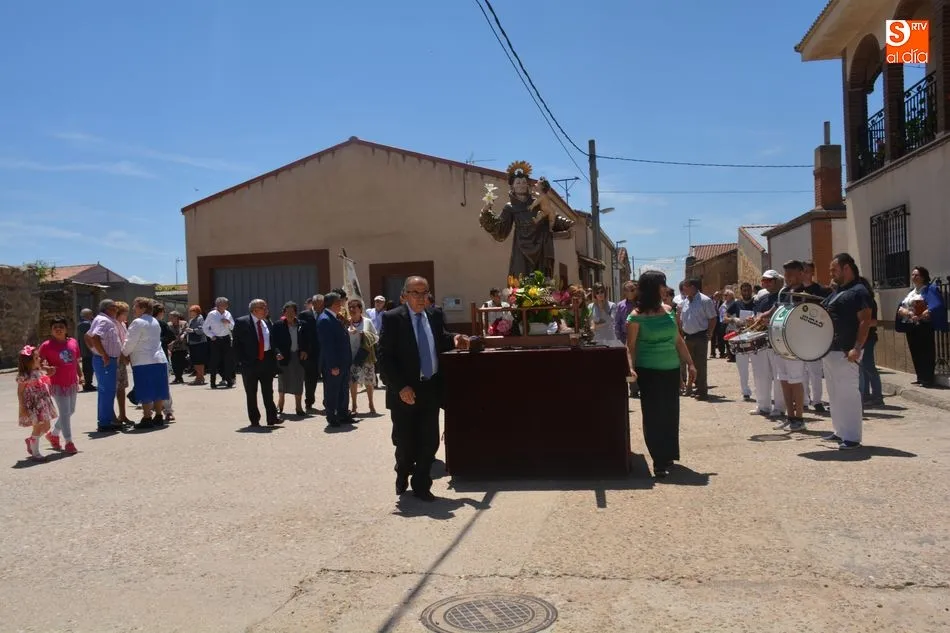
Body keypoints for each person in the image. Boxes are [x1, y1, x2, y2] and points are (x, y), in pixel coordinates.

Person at [379, 276, 470, 501]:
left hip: (430, 386)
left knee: (429, 441)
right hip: (405, 390)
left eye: (424, 292)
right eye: (415, 293)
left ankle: (421, 485)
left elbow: (441, 338)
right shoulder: (392, 318)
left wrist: (456, 338)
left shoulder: (435, 315)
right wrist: (401, 387)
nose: (421, 298)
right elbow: (385, 357)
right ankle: (402, 469)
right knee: (405, 442)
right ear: (404, 295)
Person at [625, 271, 696, 479]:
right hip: (649, 370)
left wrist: (690, 364)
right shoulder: (635, 316)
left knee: (670, 413)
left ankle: (668, 454)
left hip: (671, 369)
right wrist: (630, 367)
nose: (665, 288)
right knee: (654, 415)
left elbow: (678, 341)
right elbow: (630, 347)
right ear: (651, 289)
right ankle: (658, 459)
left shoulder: (669, 311)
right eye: (662, 284)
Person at [479, 161, 574, 277]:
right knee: (521, 278)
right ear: (512, 186)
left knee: (541, 279)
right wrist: (486, 212)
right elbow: (501, 229)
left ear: (528, 185)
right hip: (521, 249)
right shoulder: (510, 207)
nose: (521, 185)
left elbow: (550, 214)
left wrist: (565, 223)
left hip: (541, 246)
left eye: (524, 182)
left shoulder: (537, 202)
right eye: (518, 182)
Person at [821, 253, 872, 450]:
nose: (831, 274)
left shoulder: (859, 291)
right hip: (831, 350)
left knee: (848, 393)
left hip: (846, 351)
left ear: (846, 268)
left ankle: (852, 437)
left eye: (834, 270)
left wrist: (857, 347)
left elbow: (865, 321)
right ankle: (840, 431)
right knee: (834, 393)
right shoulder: (838, 292)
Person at [896, 266, 948, 387]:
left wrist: (926, 312)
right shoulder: (912, 292)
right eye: (912, 275)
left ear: (923, 277)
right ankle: (920, 377)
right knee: (915, 351)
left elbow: (936, 305)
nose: (914, 277)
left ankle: (927, 379)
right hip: (911, 325)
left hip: (923, 325)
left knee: (926, 352)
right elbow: (902, 306)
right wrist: (905, 312)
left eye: (917, 275)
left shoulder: (930, 289)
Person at [122, 297, 170, 429]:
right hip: (159, 359)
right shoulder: (154, 321)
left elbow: (130, 341)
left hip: (143, 360)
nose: (133, 309)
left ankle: (147, 417)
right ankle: (158, 415)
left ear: (143, 308)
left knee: (145, 389)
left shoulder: (138, 322)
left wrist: (124, 353)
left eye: (135, 306)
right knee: (158, 388)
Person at [232, 299, 280, 427]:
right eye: (263, 307)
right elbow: (236, 344)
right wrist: (241, 362)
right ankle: (254, 420)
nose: (266, 310)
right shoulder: (242, 322)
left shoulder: (266, 322)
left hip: (266, 361)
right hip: (250, 364)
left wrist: (276, 353)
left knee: (268, 392)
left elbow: (271, 341)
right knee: (251, 393)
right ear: (254, 310)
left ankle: (272, 418)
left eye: (266, 307)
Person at [38, 316, 82, 454]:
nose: (58, 329)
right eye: (55, 327)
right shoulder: (46, 345)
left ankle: (53, 434)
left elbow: (75, 361)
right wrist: (47, 368)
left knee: (70, 411)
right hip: (57, 383)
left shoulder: (73, 342)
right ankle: (69, 442)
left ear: (66, 329)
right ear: (51, 330)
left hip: (71, 382)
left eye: (61, 327)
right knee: (65, 413)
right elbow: (38, 363)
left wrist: (81, 375)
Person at [748, 271, 786, 419]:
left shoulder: (783, 297)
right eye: (764, 280)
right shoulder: (762, 299)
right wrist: (753, 319)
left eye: (769, 280)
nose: (766, 283)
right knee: (760, 375)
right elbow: (757, 315)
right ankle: (763, 406)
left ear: (776, 281)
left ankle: (779, 407)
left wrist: (767, 320)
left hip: (776, 342)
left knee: (778, 376)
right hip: (761, 341)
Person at [84, 299, 123, 432]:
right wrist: (103, 354)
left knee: (106, 391)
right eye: (114, 307)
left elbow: (88, 336)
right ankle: (105, 422)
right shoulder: (104, 320)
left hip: (106, 359)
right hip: (106, 360)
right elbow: (94, 337)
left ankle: (106, 420)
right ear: (107, 308)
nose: (116, 309)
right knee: (107, 391)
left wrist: (96, 352)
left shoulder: (103, 320)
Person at [317, 292, 353, 427]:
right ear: (332, 304)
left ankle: (343, 414)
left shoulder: (335, 317)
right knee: (332, 391)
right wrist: (333, 365)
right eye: (339, 302)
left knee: (343, 389)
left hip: (343, 362)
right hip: (334, 363)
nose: (341, 305)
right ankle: (332, 416)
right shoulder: (325, 319)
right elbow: (327, 345)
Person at [677, 278, 717, 400]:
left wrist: (709, 333)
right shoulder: (685, 302)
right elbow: (682, 319)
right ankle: (695, 387)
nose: (683, 289)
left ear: (693, 287)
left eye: (685, 287)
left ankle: (702, 390)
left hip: (700, 336)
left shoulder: (705, 300)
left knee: (700, 364)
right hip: (687, 337)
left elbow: (712, 318)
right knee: (691, 364)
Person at [17, 345, 58, 461]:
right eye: (36, 358)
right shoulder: (24, 376)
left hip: (44, 403)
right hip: (33, 405)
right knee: (38, 427)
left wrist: (49, 373)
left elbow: (44, 381)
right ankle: (35, 453)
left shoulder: (39, 371)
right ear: (28, 362)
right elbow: (20, 393)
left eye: (38, 357)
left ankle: (31, 440)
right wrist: (22, 407)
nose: (39, 359)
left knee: (47, 427)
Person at [801, 261, 831, 412]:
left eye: (808, 271)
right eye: (803, 271)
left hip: (815, 334)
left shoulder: (821, 290)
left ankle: (817, 401)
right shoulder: (795, 291)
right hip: (799, 334)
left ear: (813, 272)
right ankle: (804, 400)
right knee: (801, 371)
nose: (805, 274)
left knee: (815, 370)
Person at [272, 301, 306, 416]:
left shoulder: (302, 324)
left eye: (292, 311)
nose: (290, 314)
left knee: (299, 381)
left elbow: (307, 340)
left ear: (296, 313)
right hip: (284, 356)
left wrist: (305, 350)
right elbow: (273, 342)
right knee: (283, 380)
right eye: (287, 311)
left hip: (298, 356)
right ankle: (280, 404)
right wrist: (277, 353)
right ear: (284, 313)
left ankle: (299, 407)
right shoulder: (278, 325)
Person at [346, 298, 380, 415]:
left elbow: (376, 337)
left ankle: (371, 403)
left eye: (354, 307)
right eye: (350, 308)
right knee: (353, 381)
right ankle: (354, 405)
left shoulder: (367, 322)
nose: (352, 310)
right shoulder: (346, 322)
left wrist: (362, 334)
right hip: (352, 357)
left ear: (360, 309)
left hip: (366, 355)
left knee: (369, 381)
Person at [724, 283, 757, 401]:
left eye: (748, 290)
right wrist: (733, 319)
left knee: (757, 366)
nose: (746, 292)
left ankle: (759, 391)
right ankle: (745, 391)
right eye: (744, 290)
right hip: (741, 337)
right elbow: (725, 317)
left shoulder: (757, 303)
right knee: (742, 367)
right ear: (741, 291)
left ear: (751, 291)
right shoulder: (736, 304)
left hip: (754, 337)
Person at [857, 277, 884, 407]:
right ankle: (866, 395)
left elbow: (873, 321)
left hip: (868, 338)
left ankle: (877, 396)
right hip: (862, 338)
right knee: (863, 368)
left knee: (869, 367)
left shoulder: (869, 302)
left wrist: (861, 324)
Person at [297, 294, 325, 412]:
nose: (321, 307)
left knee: (327, 377)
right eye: (318, 305)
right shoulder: (304, 315)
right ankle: (309, 402)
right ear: (313, 304)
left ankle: (327, 402)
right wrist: (303, 349)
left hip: (324, 351)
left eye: (322, 305)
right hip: (310, 352)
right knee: (310, 378)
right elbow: (301, 334)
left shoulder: (326, 314)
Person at [203, 297, 236, 389]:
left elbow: (233, 326)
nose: (225, 306)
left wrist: (228, 322)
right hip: (216, 339)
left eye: (226, 304)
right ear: (218, 305)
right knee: (214, 361)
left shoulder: (228, 313)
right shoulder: (212, 314)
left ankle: (229, 381)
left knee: (228, 361)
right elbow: (205, 327)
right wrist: (211, 336)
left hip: (226, 339)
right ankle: (212, 382)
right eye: (223, 304)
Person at [615, 281, 640, 397]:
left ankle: (642, 386)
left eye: (632, 289)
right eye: (627, 290)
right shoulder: (620, 305)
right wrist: (620, 339)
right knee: (629, 365)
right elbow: (617, 323)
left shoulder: (641, 304)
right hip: (626, 337)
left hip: (640, 336)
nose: (630, 292)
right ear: (624, 292)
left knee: (640, 362)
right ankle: (633, 389)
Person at [185, 305, 209, 385]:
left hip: (199, 343)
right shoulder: (191, 320)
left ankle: (200, 377)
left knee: (199, 361)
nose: (191, 313)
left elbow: (202, 329)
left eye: (193, 311)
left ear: (197, 312)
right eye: (190, 311)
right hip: (192, 343)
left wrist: (193, 330)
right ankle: (199, 377)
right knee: (195, 361)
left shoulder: (200, 319)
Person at [77, 308, 96, 391]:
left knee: (87, 367)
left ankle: (87, 383)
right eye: (91, 314)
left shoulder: (81, 324)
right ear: (88, 315)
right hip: (88, 349)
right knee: (89, 368)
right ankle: (88, 384)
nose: (92, 316)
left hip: (85, 349)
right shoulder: (86, 324)